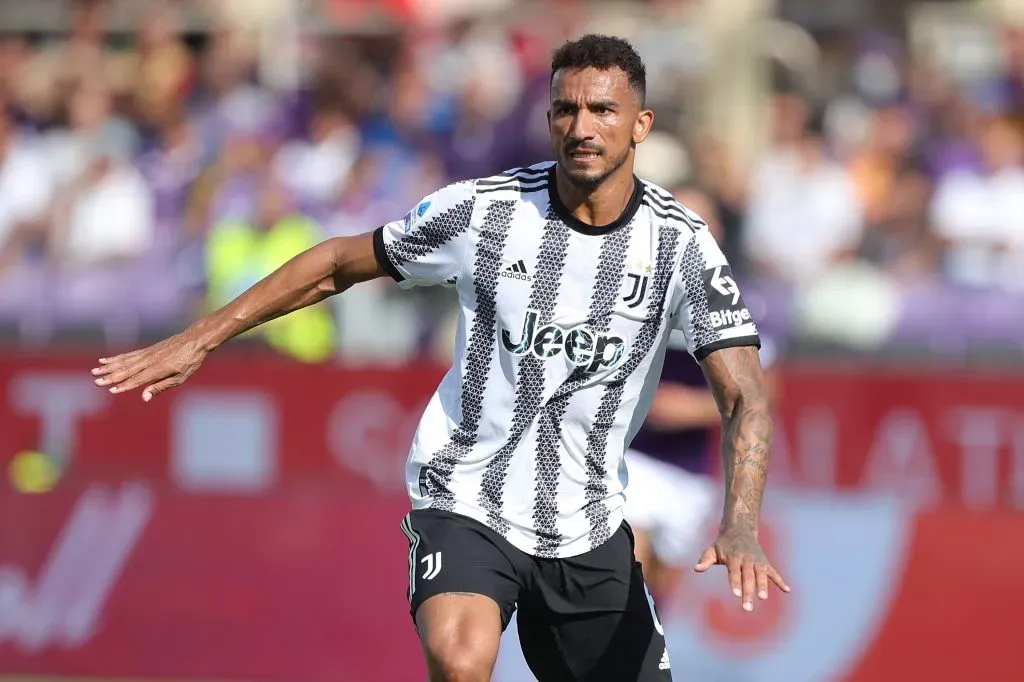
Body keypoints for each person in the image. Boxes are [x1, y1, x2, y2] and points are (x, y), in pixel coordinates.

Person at [92, 35, 789, 682]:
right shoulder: (485, 212)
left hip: (587, 522)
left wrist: (740, 521)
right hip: (467, 497)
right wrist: (201, 338)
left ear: (640, 125)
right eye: (566, 109)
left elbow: (745, 394)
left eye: (603, 110)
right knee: (461, 659)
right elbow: (340, 262)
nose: (582, 127)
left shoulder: (681, 246)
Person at [622, 185, 783, 607]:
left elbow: (765, 390)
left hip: (691, 471)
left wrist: (692, 410)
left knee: (662, 587)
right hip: (629, 458)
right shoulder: (629, 288)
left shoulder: (737, 301)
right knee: (625, 568)